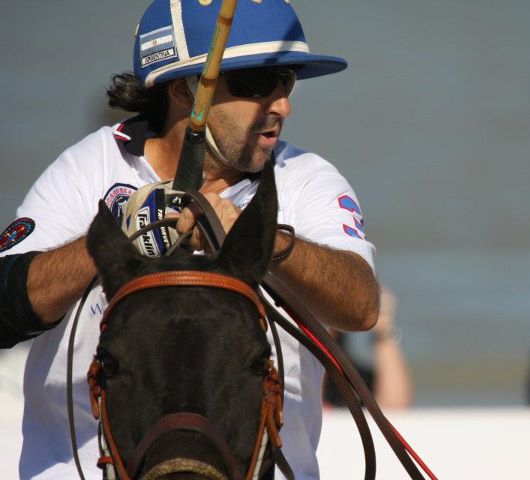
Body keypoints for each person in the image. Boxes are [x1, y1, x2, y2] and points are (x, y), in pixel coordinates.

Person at [0, 1, 379, 478]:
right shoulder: (85, 170)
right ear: (183, 89)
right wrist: (120, 230)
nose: (282, 105)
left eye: (286, 81)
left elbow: (360, 307)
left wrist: (265, 240)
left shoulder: (305, 179)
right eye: (258, 83)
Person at [324, 286, 413, 409]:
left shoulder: (361, 380)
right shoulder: (312, 376)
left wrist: (383, 327)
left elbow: (395, 407)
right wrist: (332, 316)